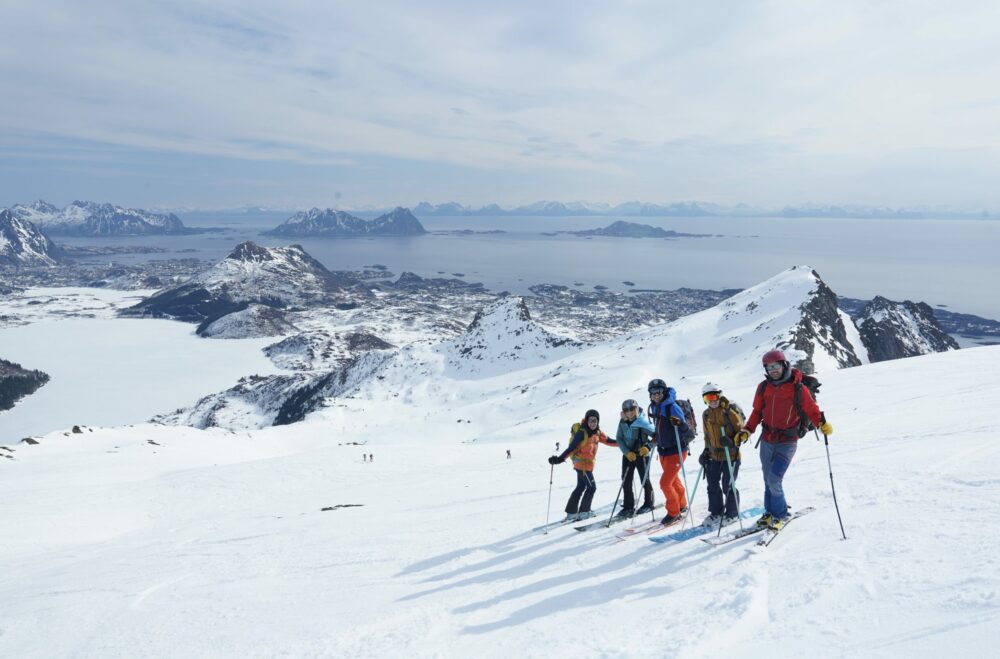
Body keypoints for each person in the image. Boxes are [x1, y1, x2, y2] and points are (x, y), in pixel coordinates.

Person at [737, 349, 833, 530]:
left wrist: (821, 424)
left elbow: (812, 410)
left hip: (787, 441)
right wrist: (747, 430)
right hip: (767, 439)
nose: (773, 370)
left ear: (784, 364)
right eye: (769, 367)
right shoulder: (763, 387)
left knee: (774, 479)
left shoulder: (798, 388)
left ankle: (781, 514)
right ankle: (769, 512)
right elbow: (757, 412)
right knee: (767, 478)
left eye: (776, 365)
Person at [548, 409, 616, 521]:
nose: (593, 423)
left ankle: (571, 513)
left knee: (580, 487)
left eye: (595, 421)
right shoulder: (582, 432)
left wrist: (624, 443)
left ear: (598, 422)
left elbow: (609, 441)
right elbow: (572, 448)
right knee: (591, 488)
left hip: (587, 466)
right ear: (586, 421)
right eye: (590, 420)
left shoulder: (598, 432)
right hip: (582, 466)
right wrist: (559, 459)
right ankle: (584, 512)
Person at [699, 382, 748, 525]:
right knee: (712, 484)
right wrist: (706, 451)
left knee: (728, 484)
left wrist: (732, 442)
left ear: (719, 396)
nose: (712, 400)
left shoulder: (729, 411)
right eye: (708, 398)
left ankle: (732, 513)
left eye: (714, 396)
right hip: (714, 456)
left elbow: (743, 433)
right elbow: (707, 435)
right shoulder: (706, 414)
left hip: (731, 455)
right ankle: (716, 512)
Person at [647, 379, 694, 525]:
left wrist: (679, 424)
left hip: (677, 451)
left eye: (658, 392)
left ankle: (674, 512)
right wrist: (656, 436)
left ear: (664, 391)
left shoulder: (672, 407)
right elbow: (661, 427)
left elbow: (688, 432)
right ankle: (682, 504)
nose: (656, 395)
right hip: (663, 451)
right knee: (673, 481)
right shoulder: (656, 407)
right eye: (652, 393)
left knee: (665, 483)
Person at [614, 399, 656, 517]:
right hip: (628, 455)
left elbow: (656, 436)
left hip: (642, 455)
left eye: (632, 409)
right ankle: (628, 506)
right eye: (626, 410)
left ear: (636, 409)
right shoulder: (622, 422)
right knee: (626, 480)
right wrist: (627, 452)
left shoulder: (642, 421)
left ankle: (649, 503)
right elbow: (619, 438)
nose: (629, 412)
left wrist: (648, 447)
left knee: (644, 479)